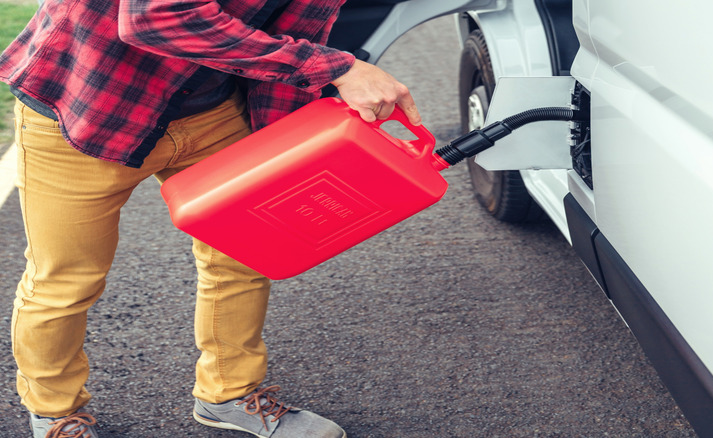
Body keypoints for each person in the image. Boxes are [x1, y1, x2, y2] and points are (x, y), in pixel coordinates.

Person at [0, 0, 420, 436]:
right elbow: (153, 18)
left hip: (213, 114)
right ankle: (55, 413)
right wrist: (338, 68)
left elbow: (300, 26)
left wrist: (283, 143)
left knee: (241, 256)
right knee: (65, 279)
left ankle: (230, 395)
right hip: (91, 105)